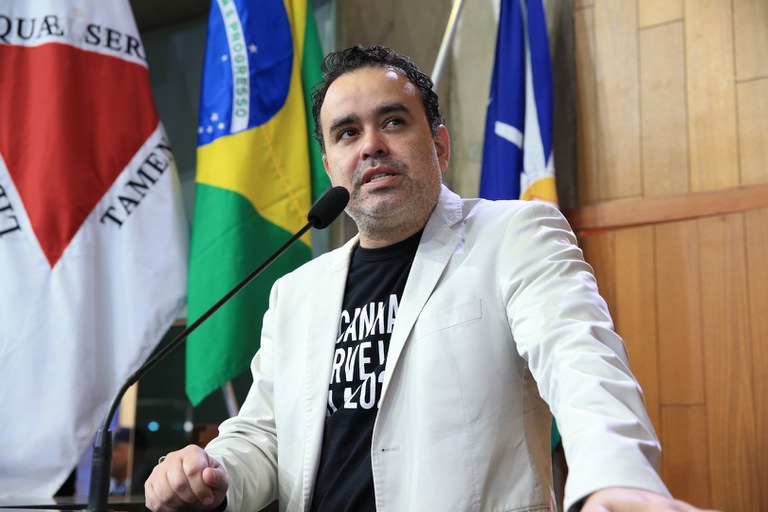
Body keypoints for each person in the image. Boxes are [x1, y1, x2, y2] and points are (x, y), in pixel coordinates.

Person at [145, 45, 717, 512]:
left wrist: (614, 477)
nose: (371, 145)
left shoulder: (514, 236)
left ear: (438, 145)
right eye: (346, 133)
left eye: (393, 121)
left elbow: (581, 362)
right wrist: (212, 470)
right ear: (330, 167)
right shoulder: (295, 292)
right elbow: (264, 437)